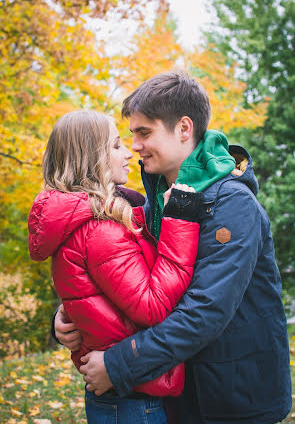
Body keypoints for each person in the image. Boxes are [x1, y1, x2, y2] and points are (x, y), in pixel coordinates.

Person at [53, 72, 292, 424]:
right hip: (180, 395)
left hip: (234, 401)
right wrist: (69, 315)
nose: (134, 145)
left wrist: (118, 365)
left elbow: (204, 312)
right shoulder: (155, 203)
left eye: (144, 132)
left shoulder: (232, 204)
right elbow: (133, 287)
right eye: (132, 134)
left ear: (183, 128)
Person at [28, 109, 204, 423]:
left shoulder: (89, 218)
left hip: (121, 394)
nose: (128, 153)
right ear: (90, 157)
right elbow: (152, 307)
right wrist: (181, 222)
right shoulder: (99, 229)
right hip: (132, 401)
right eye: (116, 146)